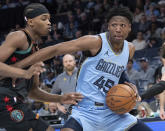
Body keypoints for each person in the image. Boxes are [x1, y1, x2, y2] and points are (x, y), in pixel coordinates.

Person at [13, 7, 151, 131]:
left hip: (112, 112)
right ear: (108, 26)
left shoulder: (130, 49)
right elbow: (56, 49)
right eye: (114, 25)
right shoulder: (95, 42)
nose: (118, 29)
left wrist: (129, 85)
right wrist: (21, 64)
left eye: (123, 25)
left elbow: (119, 72)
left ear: (129, 28)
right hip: (85, 111)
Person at [0, 3, 83, 131]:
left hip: (16, 102)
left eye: (49, 19)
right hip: (3, 100)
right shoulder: (19, 36)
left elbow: (33, 91)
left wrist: (60, 98)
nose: (48, 22)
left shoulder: (35, 50)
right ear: (31, 22)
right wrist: (24, 73)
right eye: (44, 18)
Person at [49, 54, 78, 120]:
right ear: (63, 63)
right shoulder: (60, 78)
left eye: (70, 61)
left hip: (82, 111)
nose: (68, 63)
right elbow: (53, 95)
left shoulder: (82, 73)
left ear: (74, 62)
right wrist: (58, 106)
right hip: (66, 112)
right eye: (66, 61)